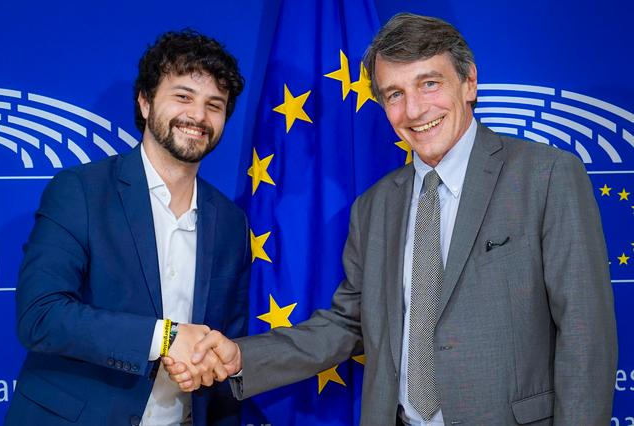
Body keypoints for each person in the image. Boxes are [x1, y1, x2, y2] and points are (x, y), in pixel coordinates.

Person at [167, 13, 618, 425]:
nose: (415, 111)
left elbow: (585, 334)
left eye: (429, 84)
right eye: (395, 95)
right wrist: (239, 357)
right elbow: (346, 325)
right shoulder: (375, 206)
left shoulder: (546, 175)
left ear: (469, 83)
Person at [6, 30, 249, 426]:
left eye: (214, 105)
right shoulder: (80, 191)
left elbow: (225, 342)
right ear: (145, 100)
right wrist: (165, 337)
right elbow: (40, 315)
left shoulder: (231, 223)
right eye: (183, 96)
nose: (199, 117)